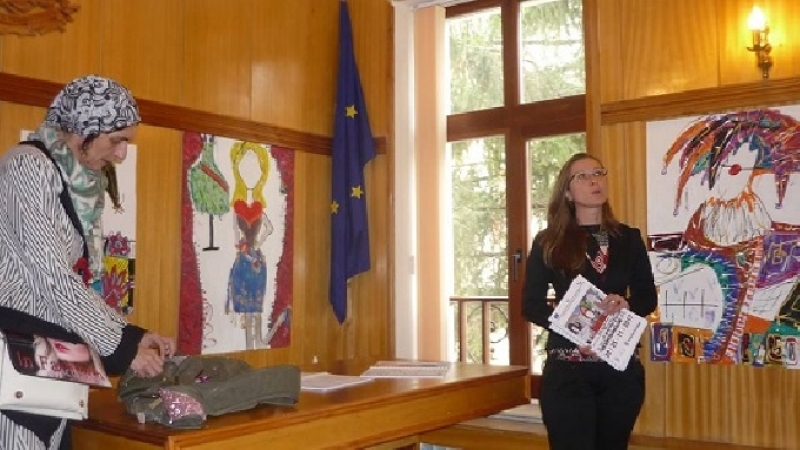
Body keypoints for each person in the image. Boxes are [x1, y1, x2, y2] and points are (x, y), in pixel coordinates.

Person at [0, 75, 175, 449]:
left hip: (51, 363)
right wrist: (124, 348)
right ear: (83, 129)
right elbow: (53, 277)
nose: (121, 154)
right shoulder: (28, 167)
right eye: (117, 140)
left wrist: (132, 334)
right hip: (16, 367)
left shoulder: (69, 178)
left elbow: (71, 281)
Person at [522, 153, 658, 450]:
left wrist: (626, 304)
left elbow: (647, 297)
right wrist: (573, 329)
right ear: (567, 193)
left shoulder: (628, 238)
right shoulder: (548, 242)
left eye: (598, 172)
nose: (594, 180)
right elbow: (531, 305)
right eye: (582, 176)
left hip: (619, 370)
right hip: (568, 372)